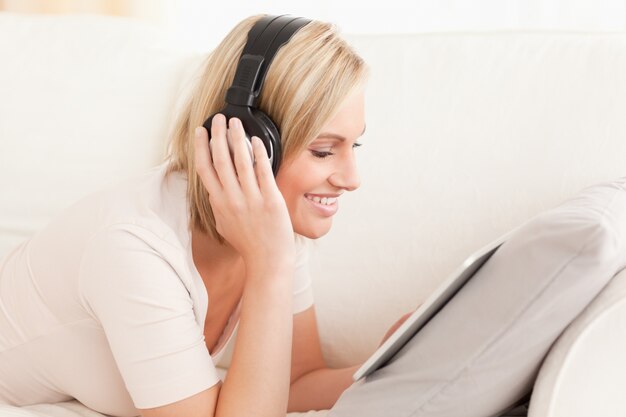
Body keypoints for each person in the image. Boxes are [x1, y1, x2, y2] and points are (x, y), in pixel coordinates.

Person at [0, 13, 375, 417]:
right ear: (249, 142)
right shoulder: (134, 250)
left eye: (355, 146)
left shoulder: (274, 225)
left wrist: (392, 365)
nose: (352, 180)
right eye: (323, 150)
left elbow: (296, 382)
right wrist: (270, 266)